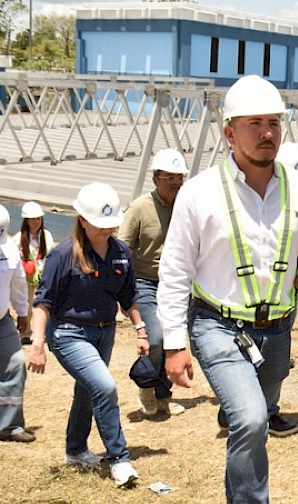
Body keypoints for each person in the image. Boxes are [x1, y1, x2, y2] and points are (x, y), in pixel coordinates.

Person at [157, 75, 298, 504]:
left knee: (260, 410)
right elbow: (175, 271)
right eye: (254, 123)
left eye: (274, 123)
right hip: (217, 325)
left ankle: (240, 424)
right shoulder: (198, 193)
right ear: (229, 133)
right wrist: (174, 344)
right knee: (253, 418)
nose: (267, 133)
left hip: (277, 330)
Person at [26, 182, 148, 488]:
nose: (107, 230)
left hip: (105, 333)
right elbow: (43, 302)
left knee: (88, 389)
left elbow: (128, 297)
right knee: (105, 387)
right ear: (82, 220)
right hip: (68, 333)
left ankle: (76, 449)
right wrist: (37, 343)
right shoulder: (62, 255)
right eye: (99, 224)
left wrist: (140, 330)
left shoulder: (120, 252)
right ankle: (119, 459)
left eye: (111, 224)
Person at [118, 148, 187, 417]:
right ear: (156, 179)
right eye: (169, 178)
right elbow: (122, 249)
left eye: (179, 177)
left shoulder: (186, 206)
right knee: (155, 338)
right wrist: (122, 292)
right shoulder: (139, 208)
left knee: (172, 339)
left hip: (176, 284)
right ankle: (146, 387)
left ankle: (163, 394)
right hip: (144, 282)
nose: (176, 183)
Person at [0, 201, 35, 443]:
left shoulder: (8, 248)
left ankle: (11, 426)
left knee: (15, 364)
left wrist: (23, 313)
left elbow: (17, 281)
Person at [13, 201, 54, 344]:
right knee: (27, 305)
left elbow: (50, 254)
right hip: (26, 277)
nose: (36, 222)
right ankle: (25, 333)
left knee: (44, 305)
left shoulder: (46, 236)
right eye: (33, 219)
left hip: (44, 275)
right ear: (26, 221)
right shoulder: (19, 238)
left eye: (38, 218)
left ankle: (43, 333)